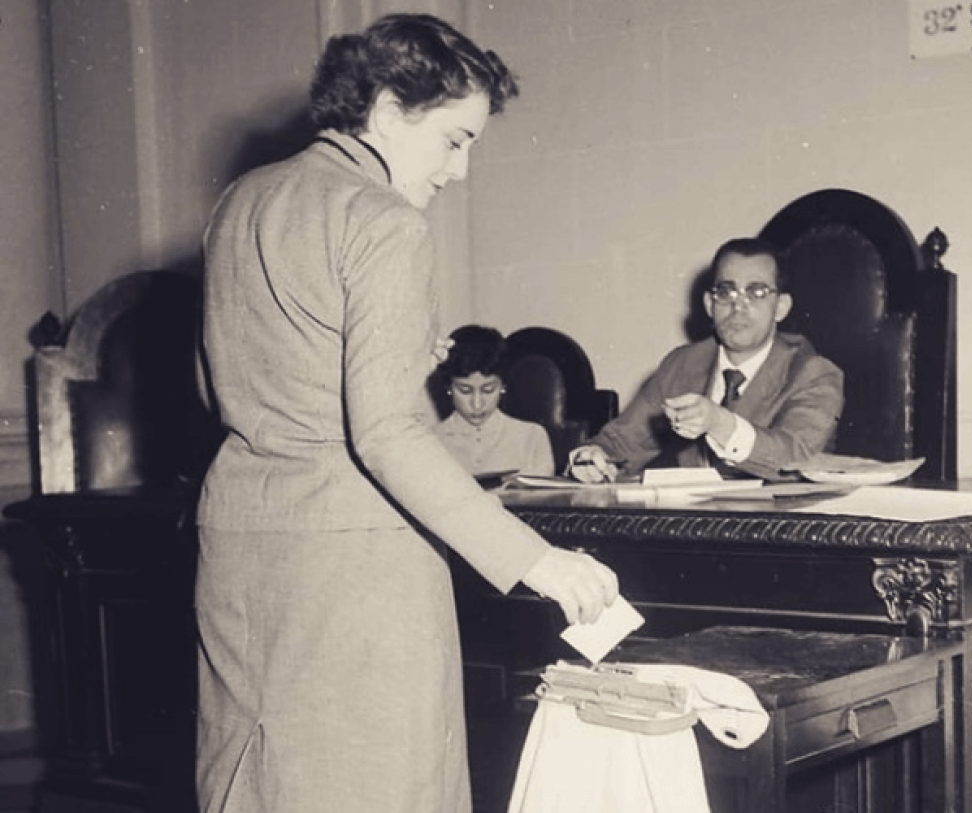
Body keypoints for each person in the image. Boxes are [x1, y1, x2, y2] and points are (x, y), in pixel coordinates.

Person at [196, 14, 618, 813]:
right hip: (355, 567)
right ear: (389, 111)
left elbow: (214, 385)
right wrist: (538, 560)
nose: (459, 172)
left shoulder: (239, 203)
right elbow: (384, 434)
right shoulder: (383, 218)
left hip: (239, 550)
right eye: (455, 140)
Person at [569, 237, 844, 483]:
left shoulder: (814, 374)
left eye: (756, 293)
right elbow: (623, 440)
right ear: (709, 305)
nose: (738, 306)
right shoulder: (683, 364)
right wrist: (593, 457)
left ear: (781, 307)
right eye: (726, 292)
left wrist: (720, 424)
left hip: (781, 530)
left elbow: (795, 459)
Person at [435, 324, 555, 477]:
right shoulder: (430, 442)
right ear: (448, 387)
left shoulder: (531, 438)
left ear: (503, 385)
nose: (477, 404)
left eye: (488, 390)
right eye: (465, 391)